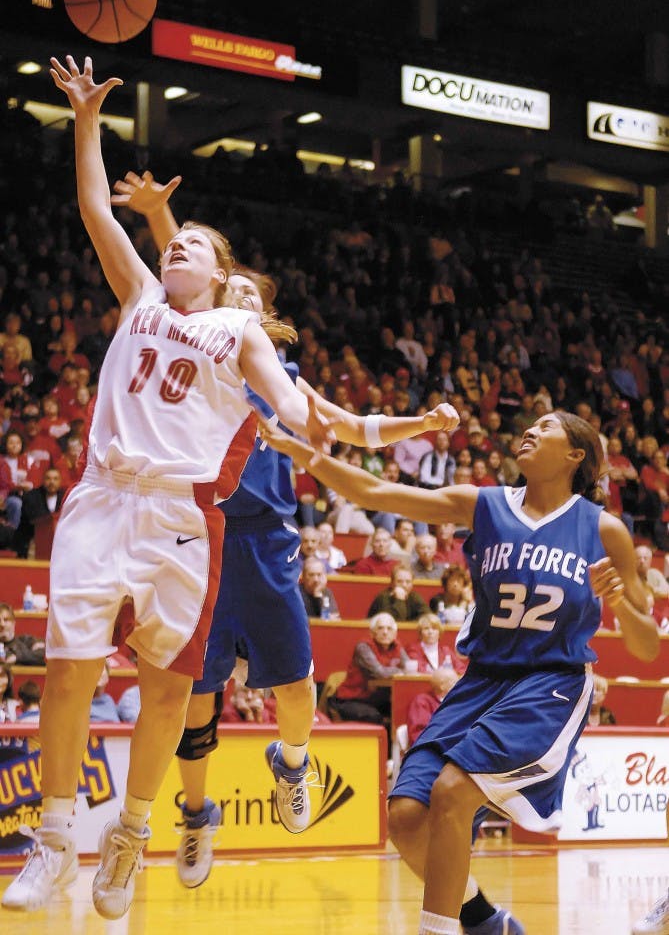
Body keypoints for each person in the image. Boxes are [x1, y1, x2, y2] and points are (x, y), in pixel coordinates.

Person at [0, 54, 338, 921]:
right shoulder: (143, 293)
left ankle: (131, 834)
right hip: (102, 498)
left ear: (225, 280)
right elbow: (92, 209)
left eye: (194, 243)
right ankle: (52, 838)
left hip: (186, 518)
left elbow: (280, 382)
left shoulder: (237, 329)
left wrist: (304, 408)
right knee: (68, 672)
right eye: (174, 239)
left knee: (165, 687)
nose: (176, 241)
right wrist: (84, 121)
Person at [109, 168, 462, 894]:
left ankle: (292, 763)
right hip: (195, 533)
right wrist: (161, 216)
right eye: (226, 288)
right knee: (194, 701)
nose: (232, 294)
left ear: (264, 316)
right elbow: (182, 263)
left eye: (246, 293)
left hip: (266, 545)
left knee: (295, 688)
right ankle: (197, 813)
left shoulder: (280, 374)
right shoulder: (192, 344)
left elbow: (348, 426)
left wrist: (420, 423)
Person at [261, 409, 659, 935]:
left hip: (550, 684)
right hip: (483, 680)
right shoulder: (485, 503)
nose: (531, 430)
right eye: (530, 423)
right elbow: (378, 494)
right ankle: (484, 922)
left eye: (547, 427)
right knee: (405, 817)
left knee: (453, 791)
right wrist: (302, 454)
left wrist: (622, 606)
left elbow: (648, 646)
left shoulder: (605, 531)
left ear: (574, 456)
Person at [328, 613, 409, 751]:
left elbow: (409, 668)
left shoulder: (397, 646)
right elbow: (379, 672)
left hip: (373, 698)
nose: (385, 632)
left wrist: (399, 670)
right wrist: (398, 670)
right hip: (349, 699)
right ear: (372, 632)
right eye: (381, 628)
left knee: (403, 710)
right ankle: (378, 756)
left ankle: (395, 759)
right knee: (374, 716)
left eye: (389, 629)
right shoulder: (364, 647)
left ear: (395, 633)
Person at [13, 467, 64, 559]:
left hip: (59, 542)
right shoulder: (31, 496)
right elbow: (34, 519)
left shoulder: (65, 497)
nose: (52, 482)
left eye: (55, 479)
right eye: (48, 478)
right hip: (31, 540)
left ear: (60, 481)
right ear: (43, 480)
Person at [406, 667, 460, 747]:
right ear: (442, 686)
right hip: (432, 750)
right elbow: (419, 734)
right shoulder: (422, 702)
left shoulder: (457, 701)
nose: (459, 686)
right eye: (454, 682)